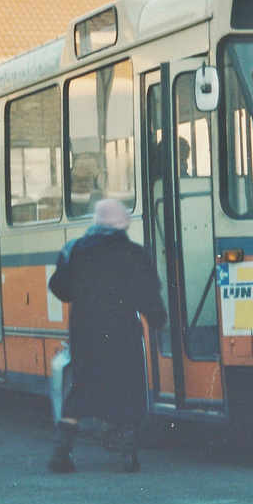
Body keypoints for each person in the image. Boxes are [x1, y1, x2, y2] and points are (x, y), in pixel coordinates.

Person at [47, 198, 167, 474]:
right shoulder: (133, 253)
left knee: (80, 390)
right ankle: (128, 457)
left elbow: (59, 287)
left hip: (85, 332)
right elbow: (147, 293)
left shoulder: (74, 249)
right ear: (123, 223)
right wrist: (157, 318)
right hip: (122, 332)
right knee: (128, 389)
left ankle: (60, 455)